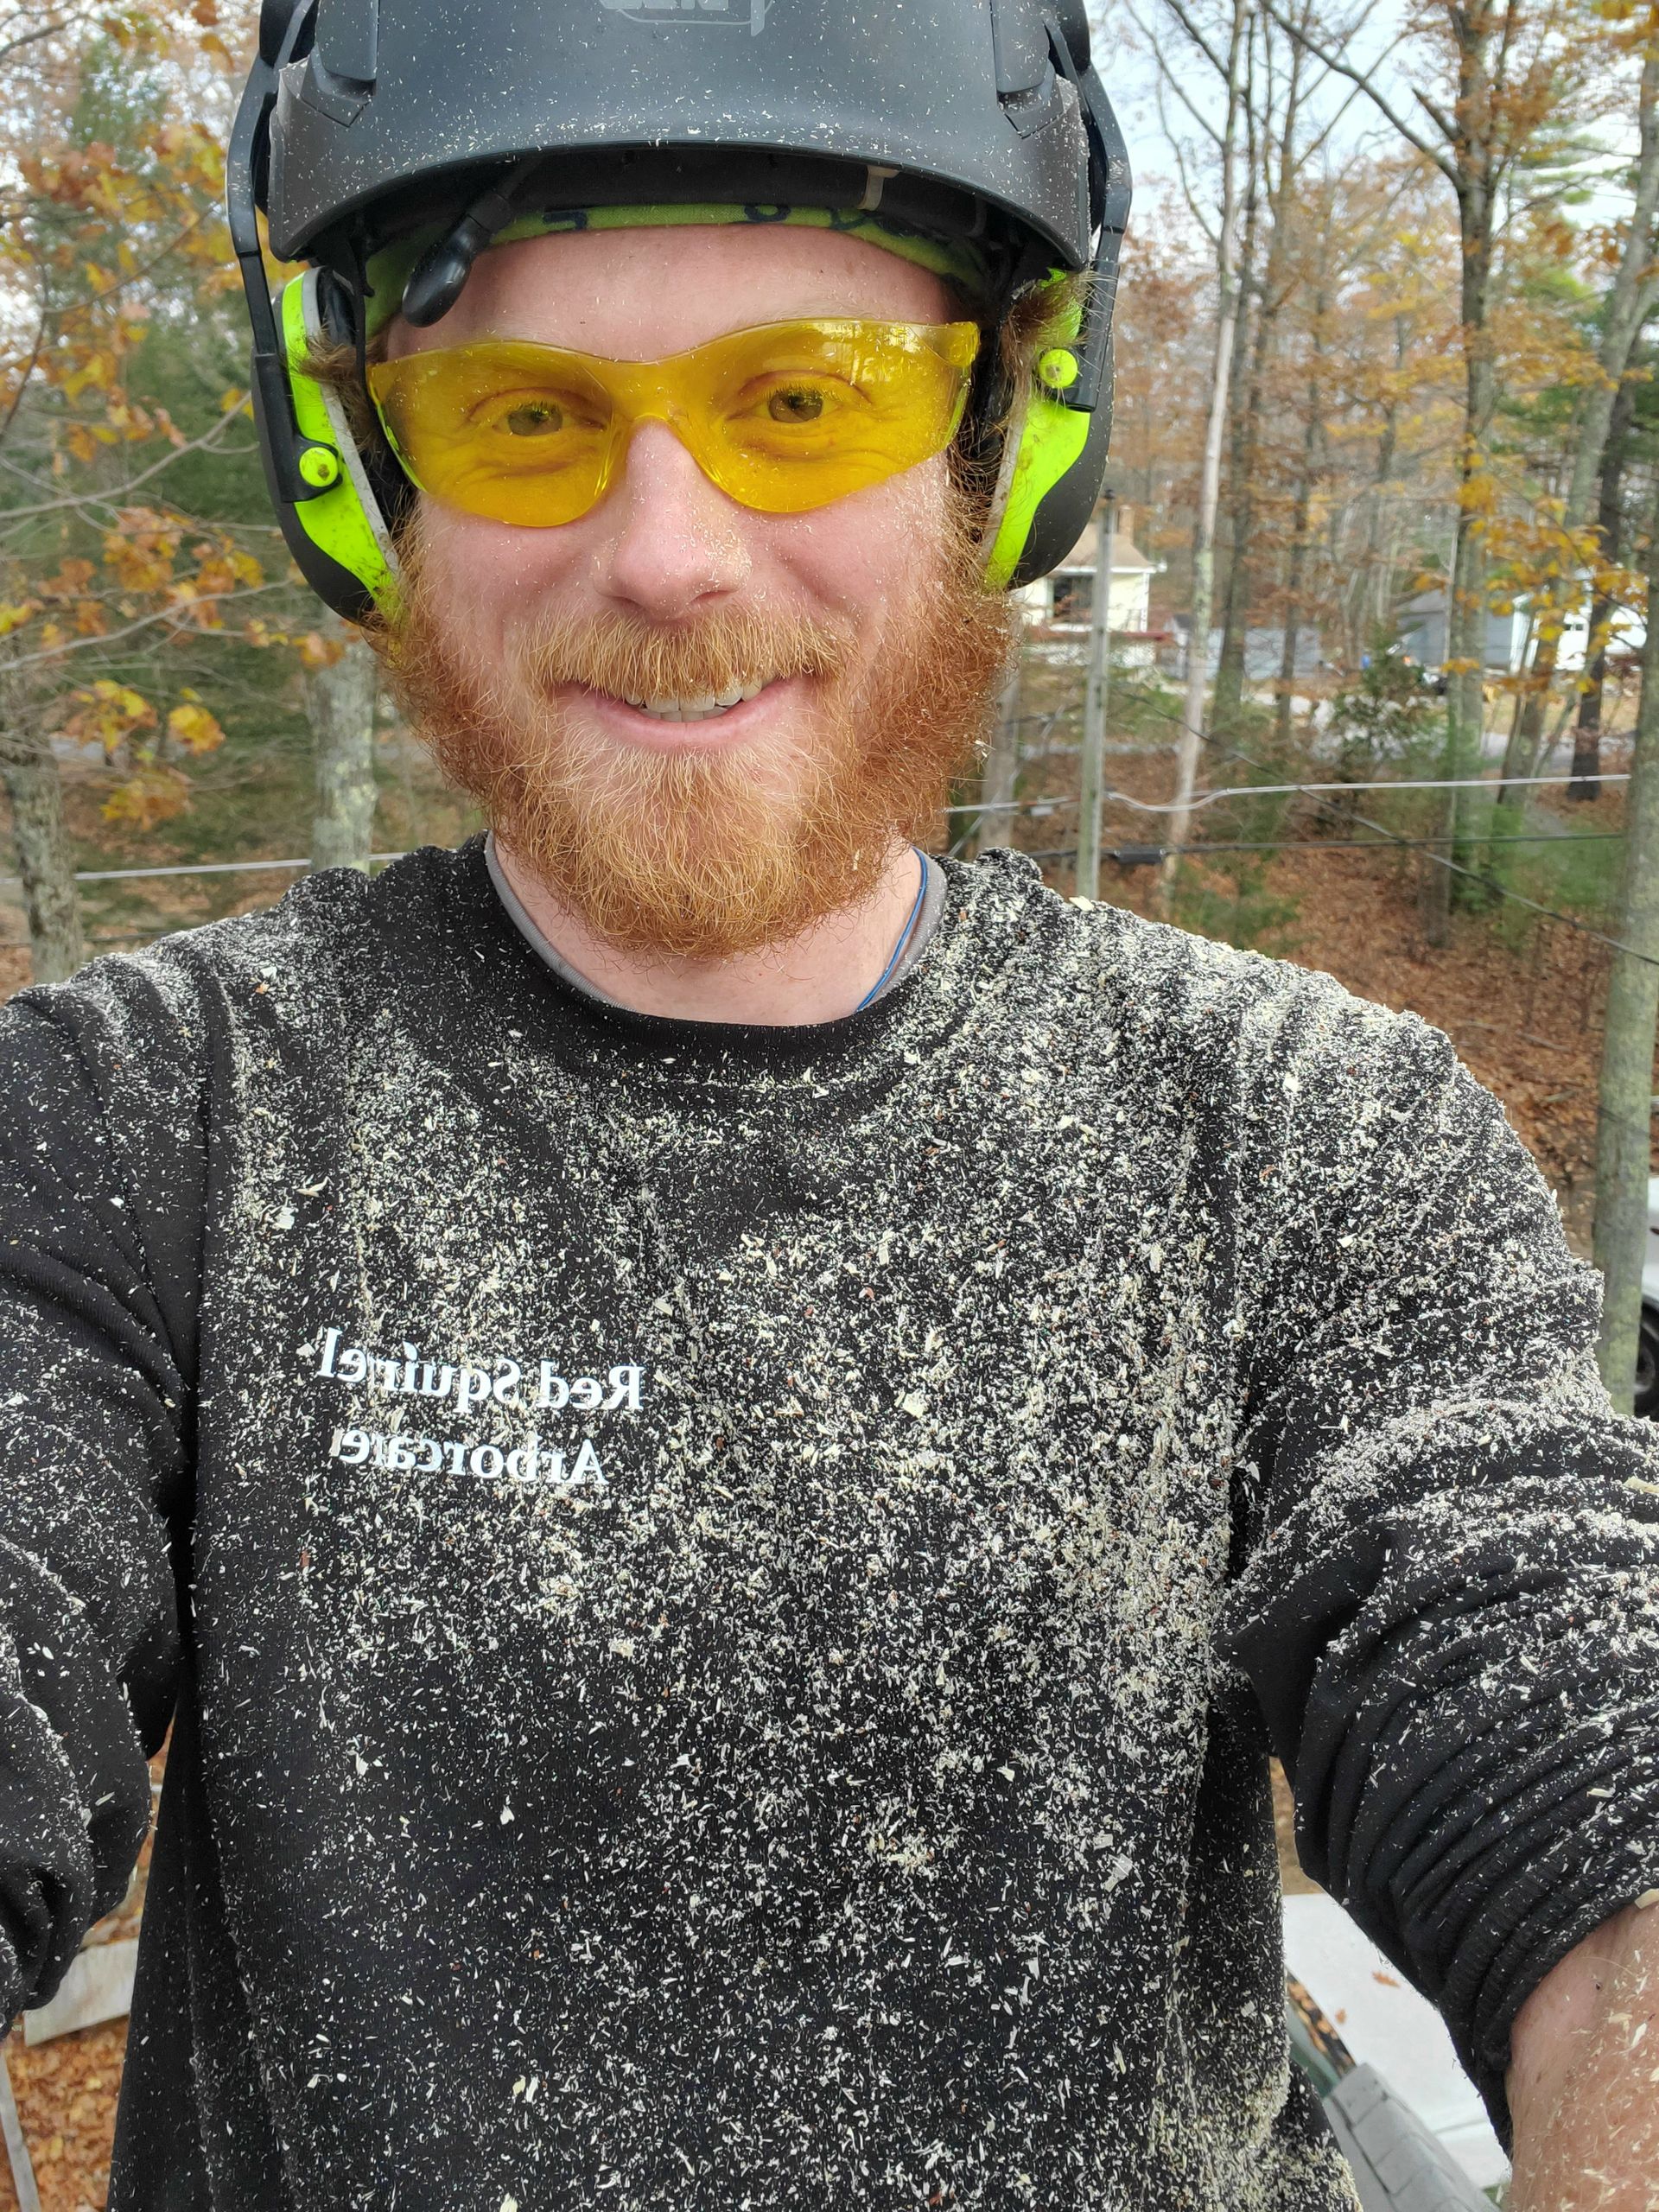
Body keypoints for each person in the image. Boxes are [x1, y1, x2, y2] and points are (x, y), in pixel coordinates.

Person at [0, 4, 1655, 2208]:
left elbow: (1562, 1694)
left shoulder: (1300, 1128)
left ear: (1007, 428)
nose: (669, 551)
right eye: (522, 413)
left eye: (804, 399)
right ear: (364, 469)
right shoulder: (137, 1116)